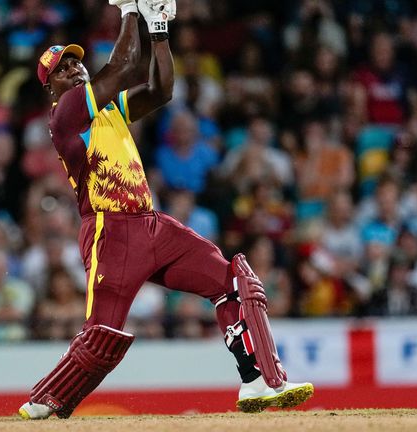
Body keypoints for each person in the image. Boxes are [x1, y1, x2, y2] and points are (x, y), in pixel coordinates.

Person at [18, 0, 314, 420]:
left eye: (76, 62)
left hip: (151, 223)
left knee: (232, 278)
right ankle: (44, 401)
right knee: (102, 335)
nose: (75, 70)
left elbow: (161, 90)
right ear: (51, 87)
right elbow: (121, 68)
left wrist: (158, 29)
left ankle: (259, 380)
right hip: (111, 230)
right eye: (63, 70)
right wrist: (128, 11)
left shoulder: (107, 110)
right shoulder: (65, 112)